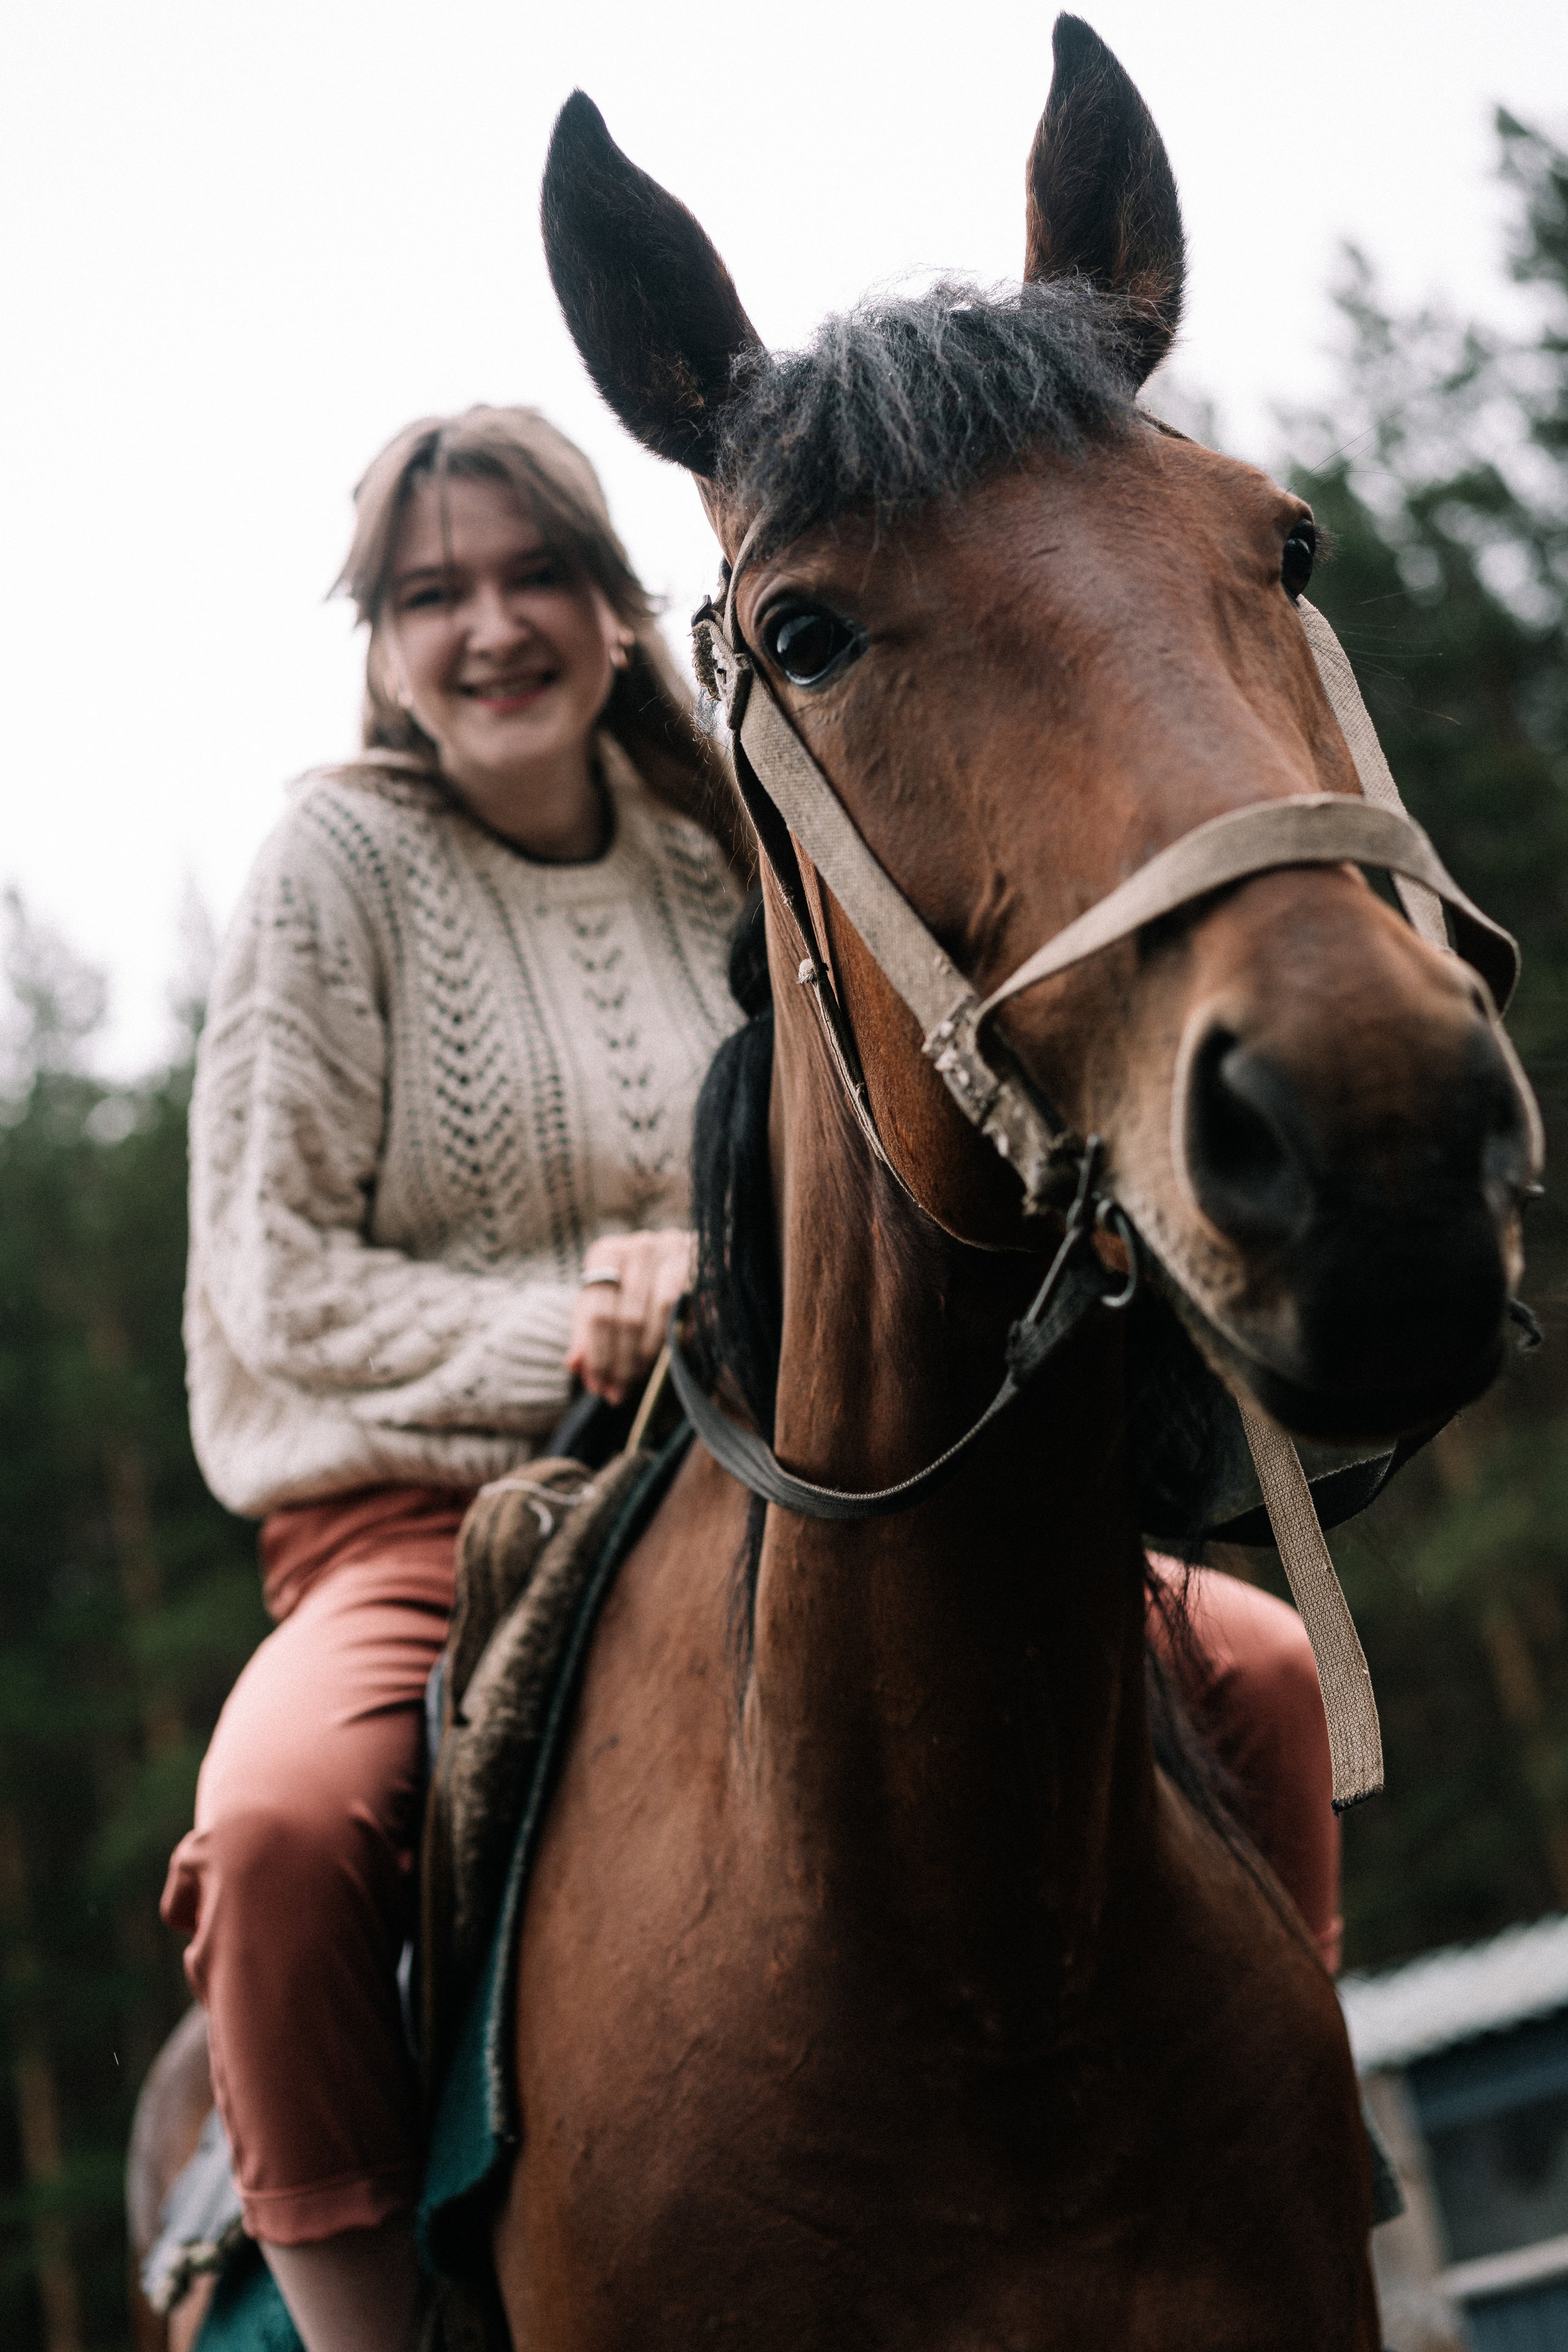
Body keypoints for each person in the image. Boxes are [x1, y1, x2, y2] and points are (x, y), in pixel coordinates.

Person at [162, 406, 747, 2352]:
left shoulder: (720, 856)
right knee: (280, 1832)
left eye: (534, 575)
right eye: (434, 596)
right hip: (422, 1524)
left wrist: (724, 1289)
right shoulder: (337, 861)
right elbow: (274, 1287)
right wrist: (575, 1316)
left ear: (609, 601)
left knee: (1244, 1671)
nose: (492, 627)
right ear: (384, 642)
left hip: (761, 1467)